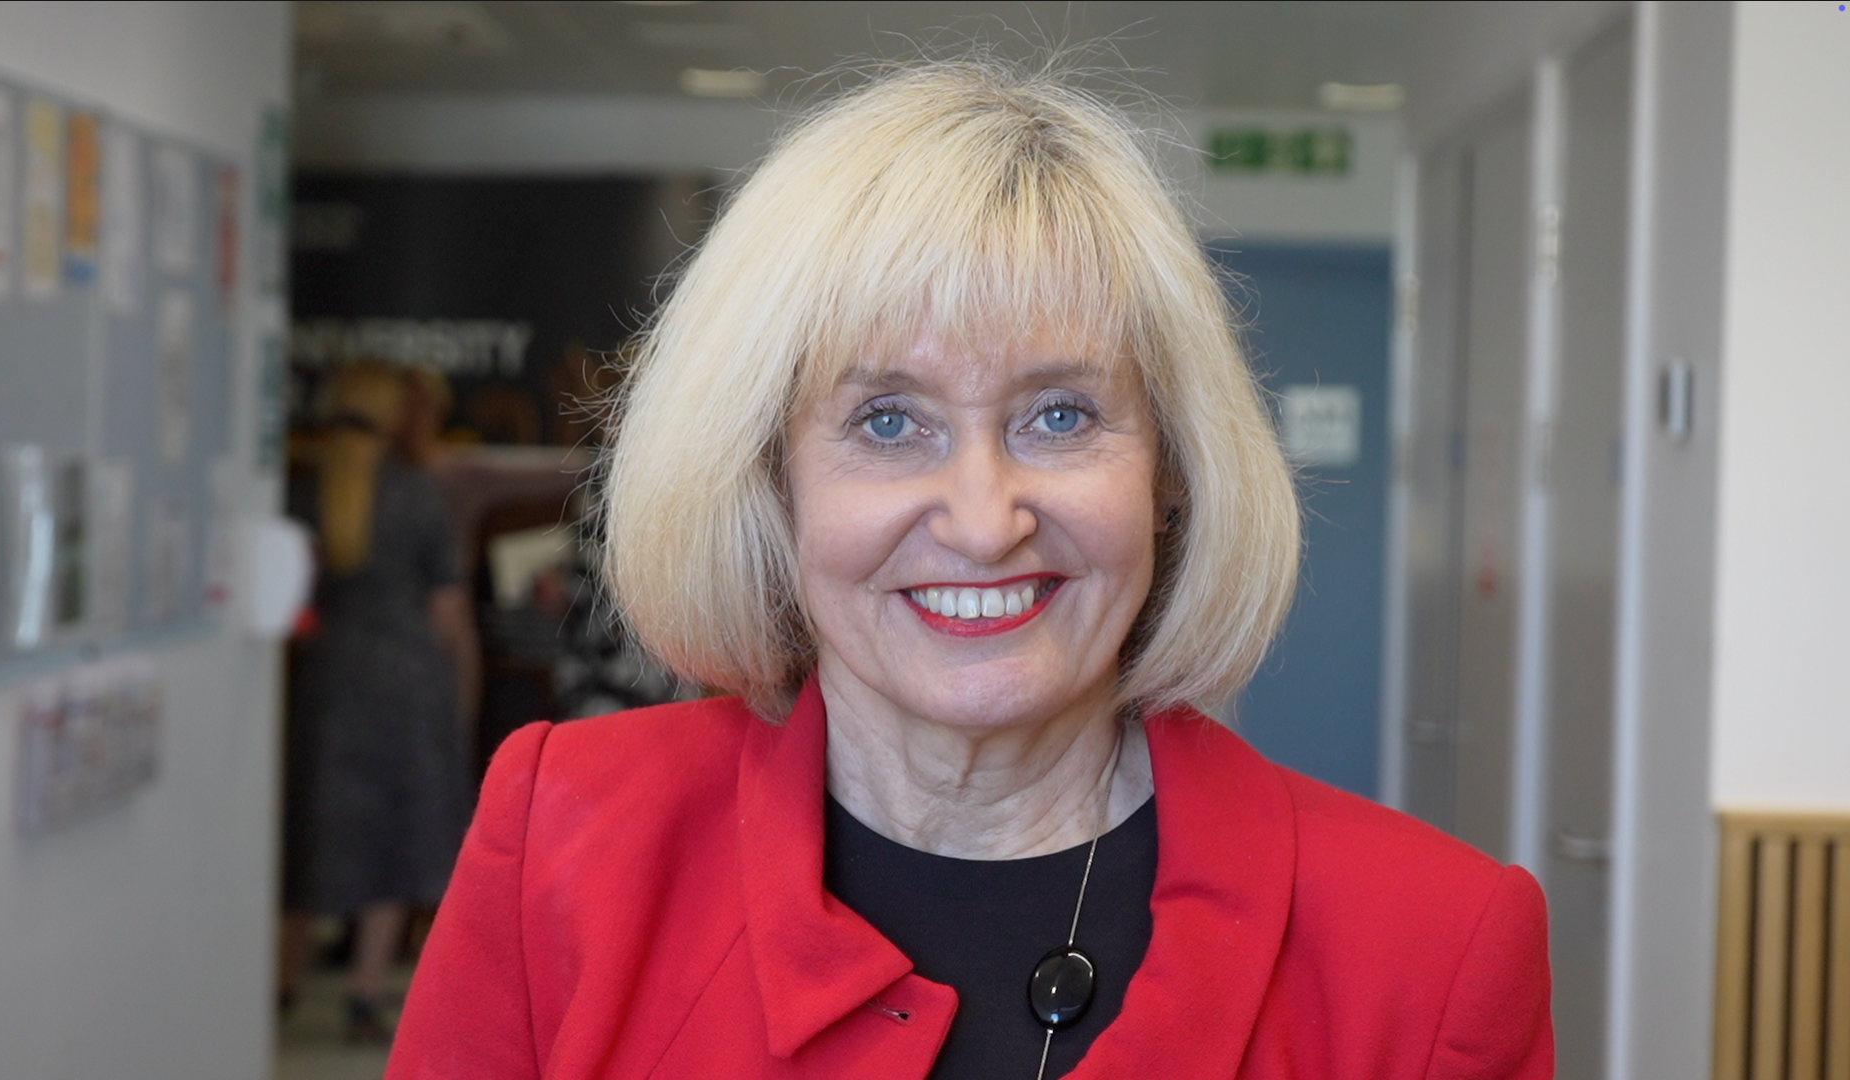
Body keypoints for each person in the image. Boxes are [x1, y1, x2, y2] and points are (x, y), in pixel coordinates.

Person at [387, 59, 1553, 1078]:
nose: (986, 521)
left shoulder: (1432, 945)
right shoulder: (565, 844)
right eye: (890, 422)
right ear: (770, 477)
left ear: (1172, 473)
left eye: (1059, 415)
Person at [281, 363, 479, 1041]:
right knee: (401, 831)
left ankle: (280, 983)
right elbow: (447, 608)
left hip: (329, 679)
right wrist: (463, 679)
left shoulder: (306, 491)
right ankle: (365, 993)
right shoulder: (416, 494)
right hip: (407, 679)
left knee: (315, 824)